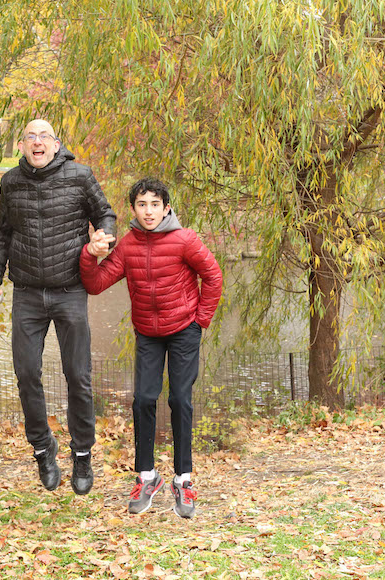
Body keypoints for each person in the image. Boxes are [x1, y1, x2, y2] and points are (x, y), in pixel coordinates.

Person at [0, 118, 116, 495]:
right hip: (26, 293)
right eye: (29, 137)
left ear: (56, 144)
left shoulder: (79, 175)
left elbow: (105, 214)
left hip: (70, 290)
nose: (36, 143)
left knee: (78, 377)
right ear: (21, 146)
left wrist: (106, 237)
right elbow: (1, 235)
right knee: (26, 375)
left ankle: (83, 454)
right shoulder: (10, 182)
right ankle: (43, 449)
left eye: (44, 137)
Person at [79, 177, 222, 518]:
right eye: (142, 205)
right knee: (143, 399)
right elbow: (96, 283)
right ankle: (148, 477)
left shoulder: (185, 239)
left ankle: (183, 481)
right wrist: (89, 253)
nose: (148, 211)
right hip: (148, 333)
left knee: (180, 399)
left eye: (155, 204)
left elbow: (213, 276)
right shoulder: (128, 245)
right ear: (134, 209)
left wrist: (200, 321)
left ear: (166, 208)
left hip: (184, 329)